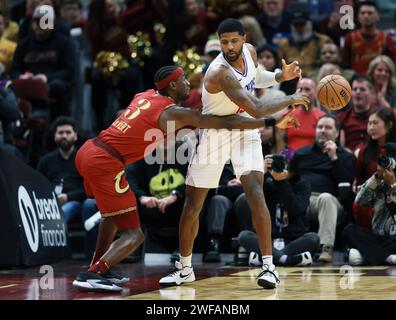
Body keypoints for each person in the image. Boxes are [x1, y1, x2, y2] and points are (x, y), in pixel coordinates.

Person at [73, 65, 304, 292]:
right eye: (184, 80)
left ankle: (99, 267)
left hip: (89, 150)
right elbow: (227, 123)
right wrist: (272, 122)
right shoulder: (173, 112)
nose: (189, 84)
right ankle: (92, 274)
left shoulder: (145, 95)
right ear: (172, 85)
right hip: (106, 162)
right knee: (135, 234)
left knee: (111, 217)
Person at [159, 18, 308, 290]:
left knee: (255, 191)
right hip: (216, 131)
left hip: (245, 131)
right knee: (193, 204)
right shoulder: (219, 72)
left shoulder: (249, 52)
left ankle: (268, 267)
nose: (229, 46)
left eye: (234, 41)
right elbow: (256, 108)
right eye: (224, 42)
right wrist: (288, 98)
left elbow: (256, 76)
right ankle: (185, 268)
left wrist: (278, 77)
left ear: (244, 38)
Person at [289, 115, 356, 262]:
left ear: (337, 133)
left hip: (330, 203)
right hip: (304, 199)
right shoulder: (301, 154)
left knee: (326, 198)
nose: (323, 131)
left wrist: (334, 158)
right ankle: (286, 246)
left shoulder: (345, 156)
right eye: (320, 127)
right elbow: (290, 180)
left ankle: (326, 248)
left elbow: (346, 189)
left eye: (328, 127)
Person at [343, 156, 396, 266]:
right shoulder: (381, 186)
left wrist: (393, 186)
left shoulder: (391, 185)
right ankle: (388, 257)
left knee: (354, 256)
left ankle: (367, 255)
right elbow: (360, 200)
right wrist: (377, 177)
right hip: (379, 238)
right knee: (349, 230)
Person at [37, 116, 85, 223]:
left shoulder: (83, 159)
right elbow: (37, 185)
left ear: (75, 136)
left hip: (74, 202)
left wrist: (68, 197)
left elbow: (89, 189)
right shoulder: (46, 160)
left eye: (68, 132)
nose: (64, 136)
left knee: (62, 212)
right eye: (60, 132)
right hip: (48, 203)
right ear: (55, 136)